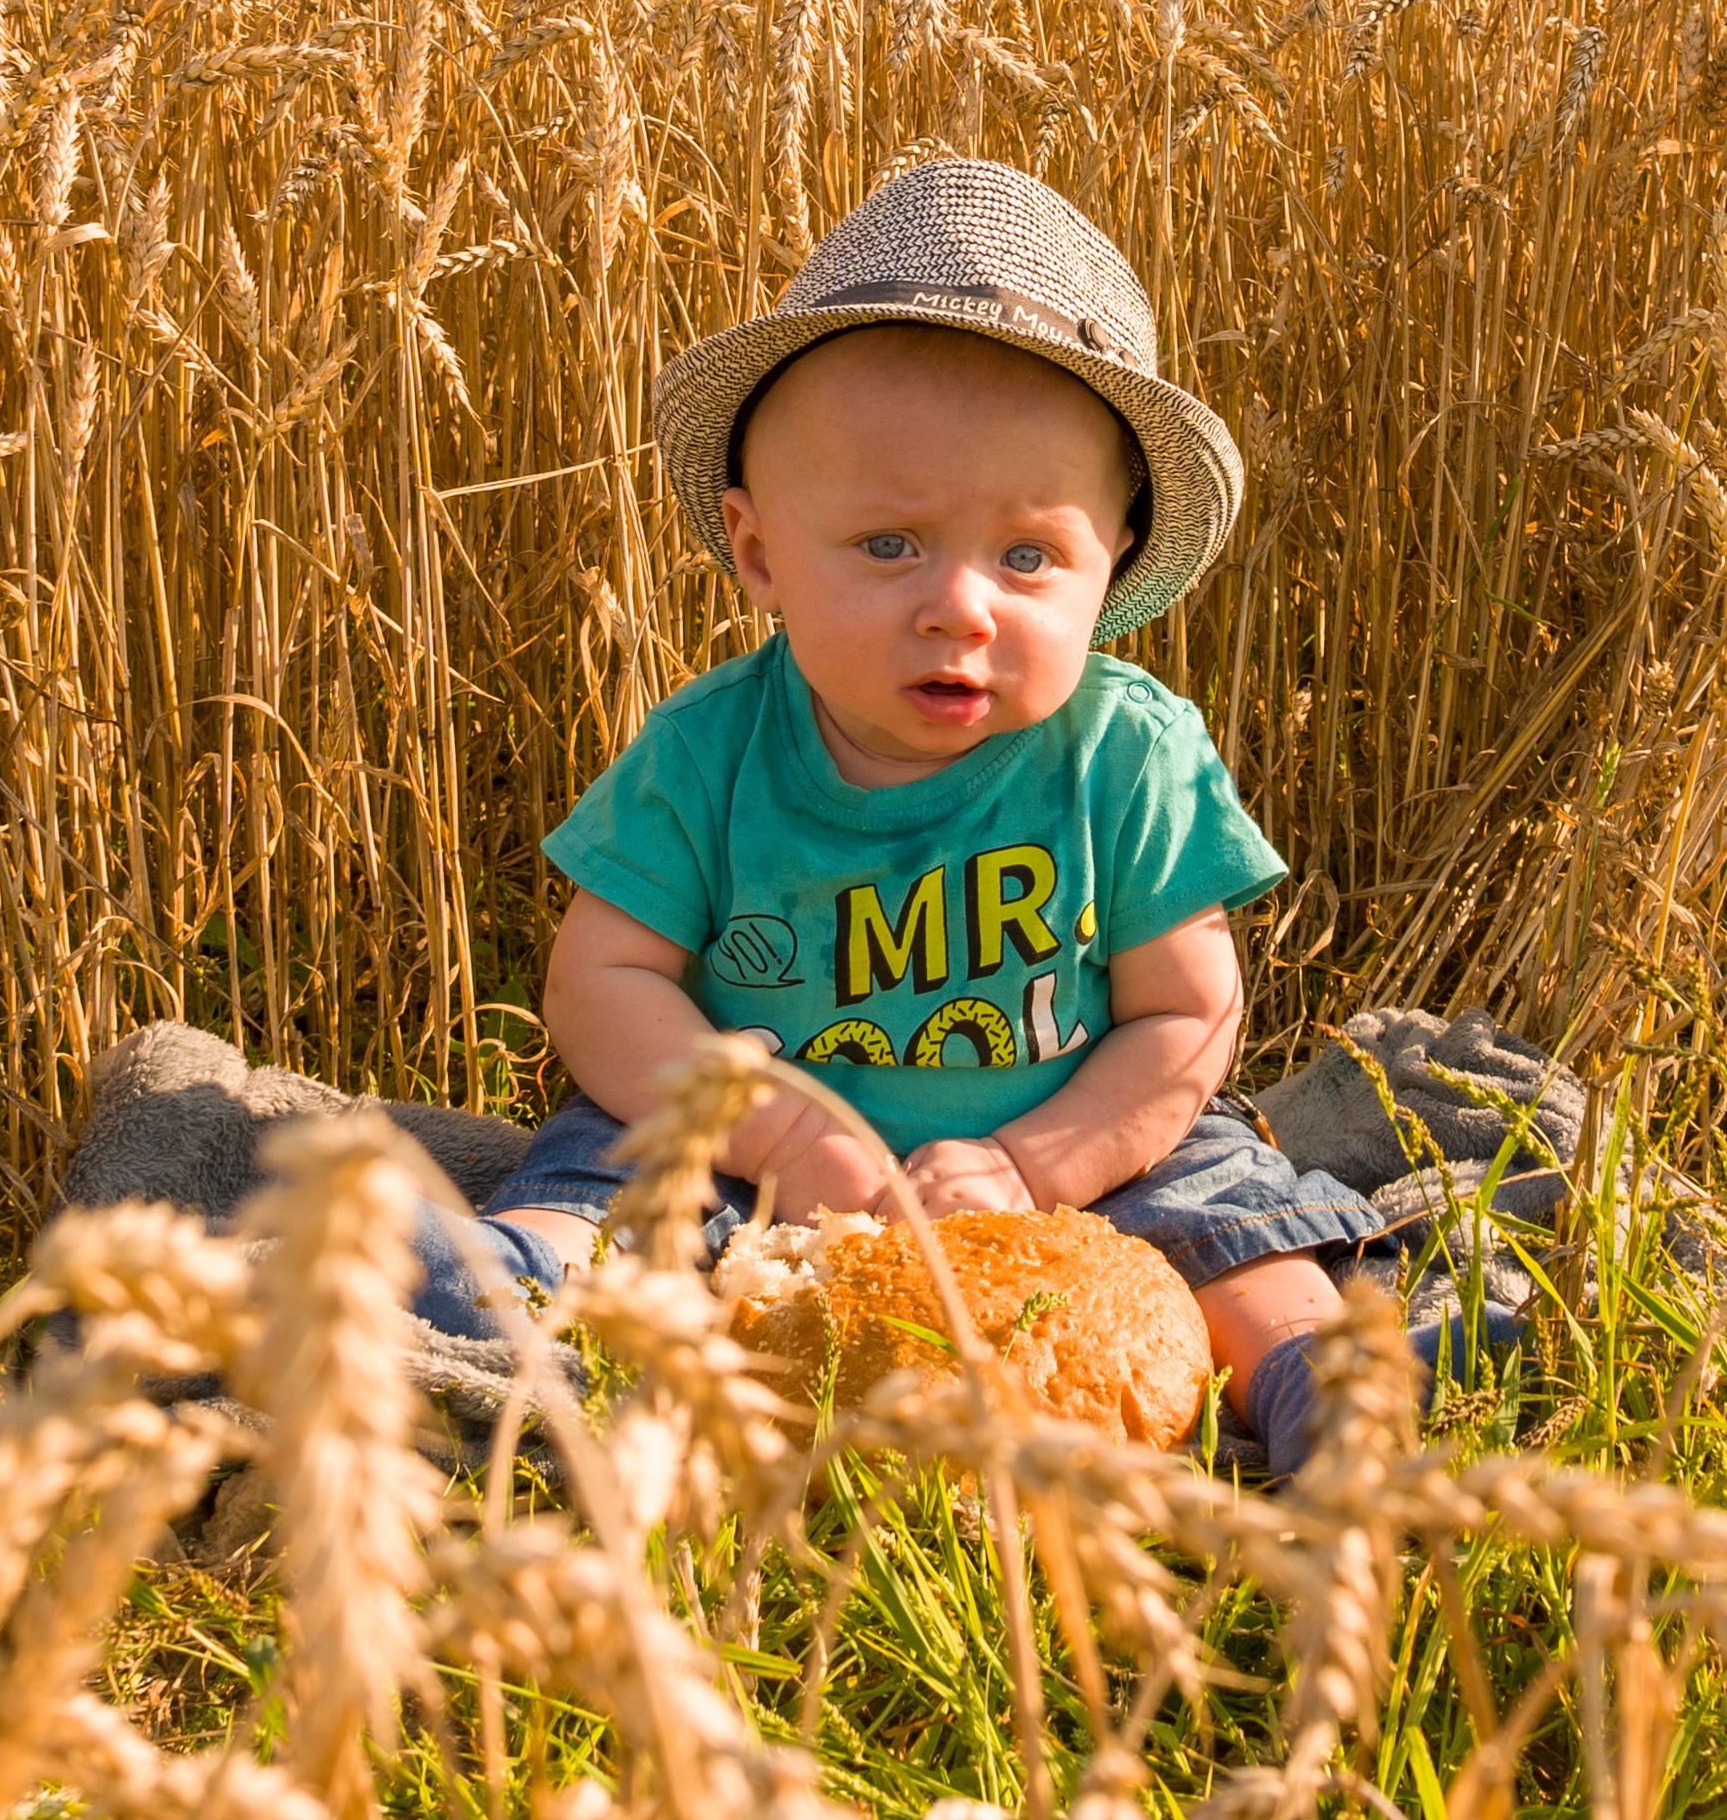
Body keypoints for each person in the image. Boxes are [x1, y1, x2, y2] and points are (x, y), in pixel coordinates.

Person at [409, 156, 1511, 1475]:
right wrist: (774, 1130)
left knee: (1233, 1217)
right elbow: (603, 982)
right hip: (751, 1150)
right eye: (890, 545)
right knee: (606, 1185)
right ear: (760, 553)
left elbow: (1182, 1018)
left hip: (1073, 1130)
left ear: (1110, 566)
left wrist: (1037, 1167)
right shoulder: (708, 751)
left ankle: (1331, 1402)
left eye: (1028, 556)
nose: (960, 608)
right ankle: (475, 1307)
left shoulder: (1129, 755)